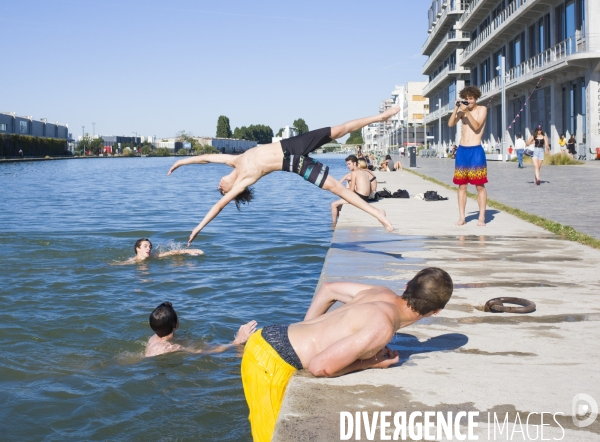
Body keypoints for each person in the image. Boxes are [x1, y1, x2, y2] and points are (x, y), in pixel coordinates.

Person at [241, 267, 453, 442]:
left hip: (271, 336)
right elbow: (320, 367)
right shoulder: (383, 327)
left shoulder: (380, 292)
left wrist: (306, 329)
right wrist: (371, 363)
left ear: (407, 286)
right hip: (271, 360)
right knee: (269, 437)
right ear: (436, 311)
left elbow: (328, 289)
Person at [168, 108, 400, 242]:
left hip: (291, 144)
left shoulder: (234, 161)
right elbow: (218, 207)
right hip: (295, 165)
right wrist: (198, 228)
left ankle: (379, 118)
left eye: (220, 188)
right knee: (336, 188)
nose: (220, 185)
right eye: (222, 190)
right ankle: (377, 213)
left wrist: (181, 161)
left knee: (338, 130)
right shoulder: (243, 181)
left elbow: (206, 157)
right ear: (230, 191)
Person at [145, 301, 257, 357]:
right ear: (175, 325)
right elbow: (201, 353)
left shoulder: (153, 338)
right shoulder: (172, 347)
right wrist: (236, 342)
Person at [448, 86, 488, 226]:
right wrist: (456, 109)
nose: (469, 101)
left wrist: (467, 112)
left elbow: (477, 126)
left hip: (476, 150)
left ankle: (481, 217)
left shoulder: (482, 109)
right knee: (462, 186)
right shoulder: (462, 112)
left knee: (479, 186)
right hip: (462, 150)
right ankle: (462, 217)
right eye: (467, 99)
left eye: (471, 99)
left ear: (475, 98)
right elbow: (450, 124)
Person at [330, 155, 375, 225]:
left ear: (354, 163)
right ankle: (339, 217)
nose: (348, 166)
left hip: (359, 197)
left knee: (333, 204)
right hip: (366, 197)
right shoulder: (363, 172)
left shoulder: (354, 173)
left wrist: (341, 192)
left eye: (349, 164)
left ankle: (333, 224)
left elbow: (351, 189)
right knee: (340, 200)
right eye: (347, 164)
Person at [117, 238, 204, 264]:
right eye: (145, 246)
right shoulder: (132, 261)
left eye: (150, 246)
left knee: (177, 261)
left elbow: (172, 252)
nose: (149, 248)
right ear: (138, 249)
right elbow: (118, 264)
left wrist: (190, 251)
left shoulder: (154, 255)